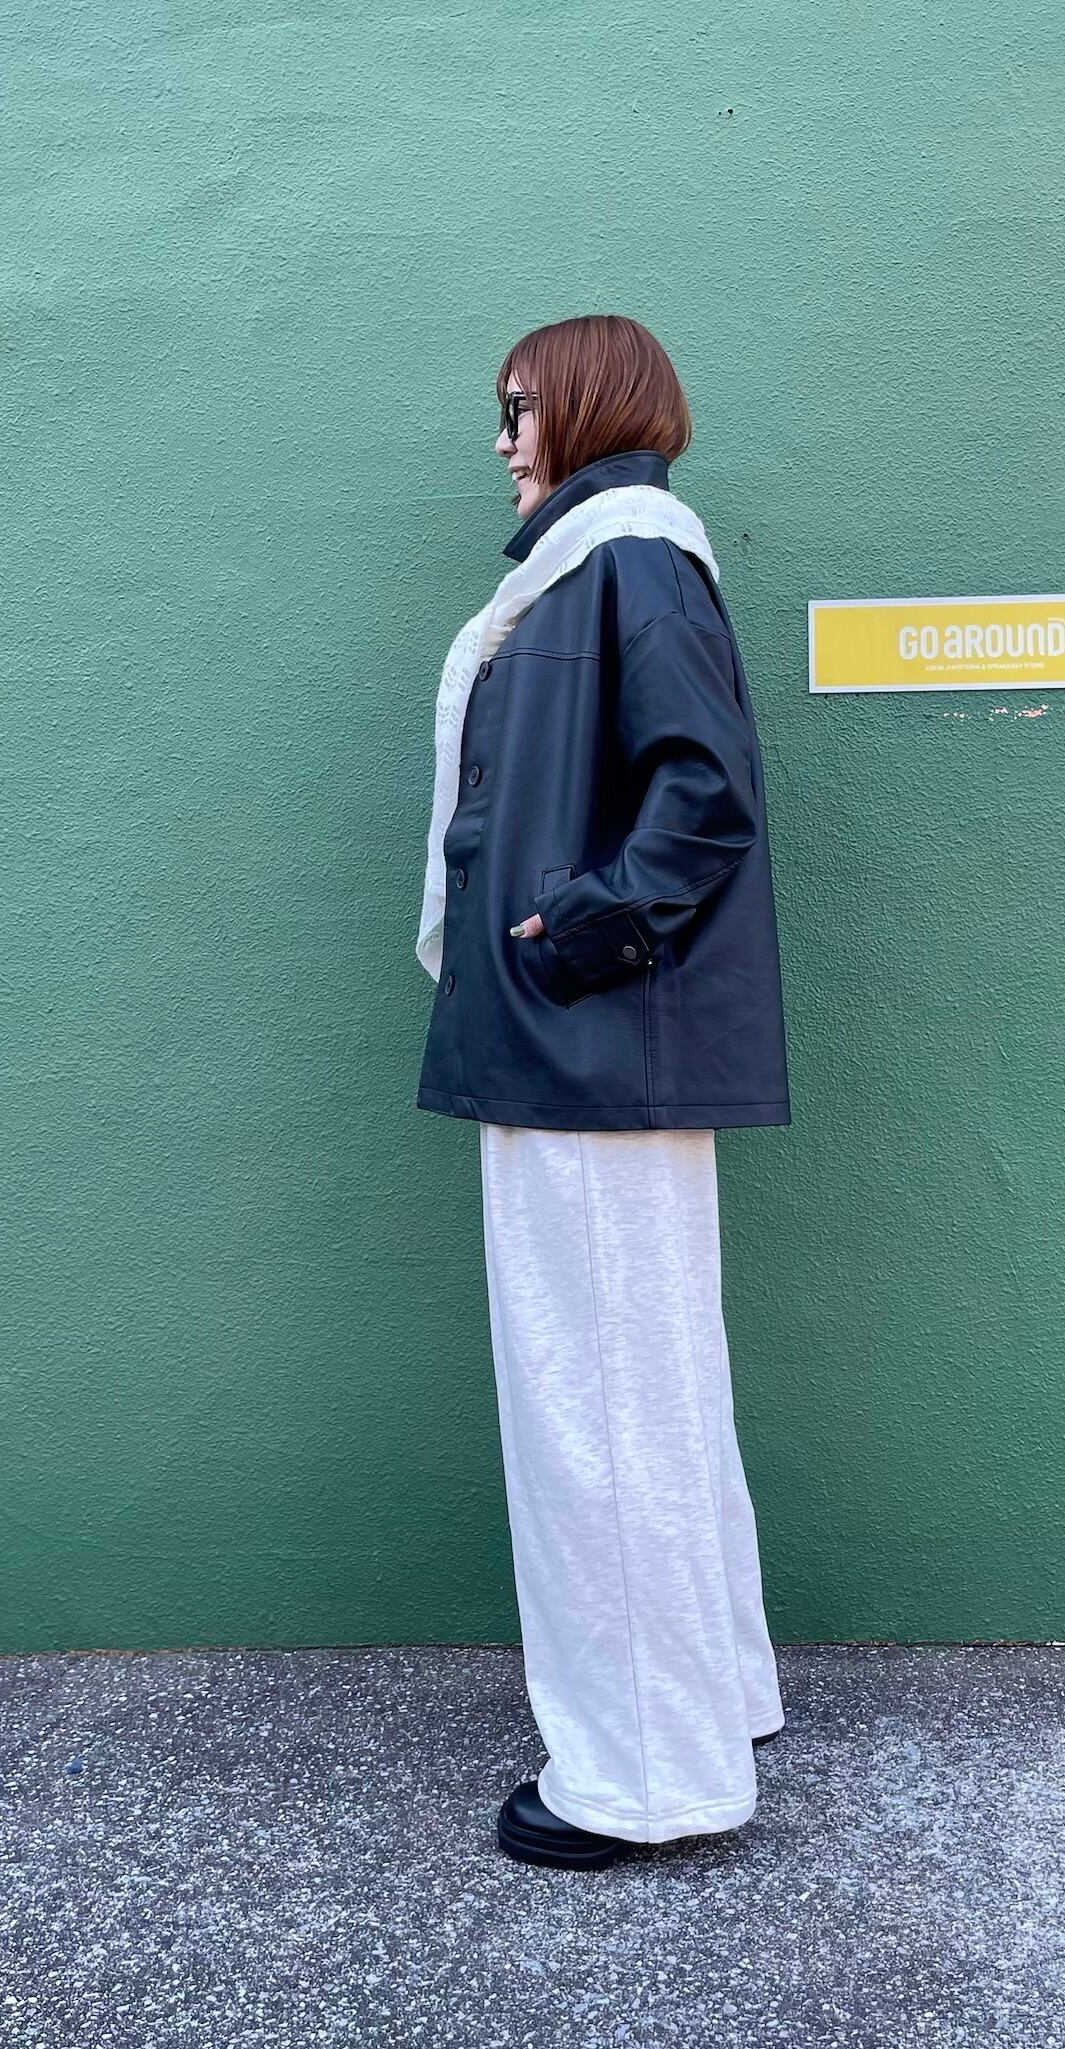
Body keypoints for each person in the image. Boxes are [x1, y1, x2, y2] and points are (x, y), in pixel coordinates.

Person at [414, 314, 792, 1869]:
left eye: (520, 406)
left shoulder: (628, 553)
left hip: (589, 1048)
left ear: (584, 404)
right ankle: (712, 1701)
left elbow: (705, 789)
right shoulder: (593, 563)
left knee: (602, 1408)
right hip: (579, 1049)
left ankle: (645, 1777)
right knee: (646, 1387)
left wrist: (573, 934)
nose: (504, 437)